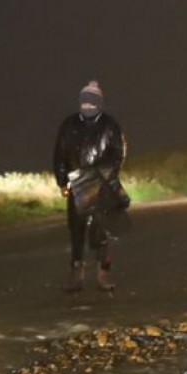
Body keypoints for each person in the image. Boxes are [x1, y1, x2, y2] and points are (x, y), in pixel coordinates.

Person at [52, 79, 128, 291]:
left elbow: (117, 156)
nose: (88, 106)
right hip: (76, 185)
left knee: (103, 230)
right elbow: (60, 155)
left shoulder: (110, 126)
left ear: (100, 103)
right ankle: (76, 271)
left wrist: (101, 176)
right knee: (76, 231)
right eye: (85, 102)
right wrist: (62, 181)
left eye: (93, 102)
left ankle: (104, 271)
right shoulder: (69, 125)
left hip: (101, 186)